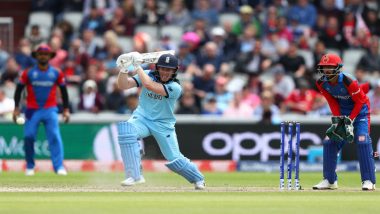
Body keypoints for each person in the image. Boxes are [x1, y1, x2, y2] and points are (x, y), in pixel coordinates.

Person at [116, 52, 205, 189]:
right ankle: (134, 176)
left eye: (168, 69)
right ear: (157, 67)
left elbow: (150, 86)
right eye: (162, 68)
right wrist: (124, 69)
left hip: (163, 124)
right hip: (142, 118)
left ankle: (198, 178)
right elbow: (124, 85)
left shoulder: (175, 87)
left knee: (174, 159)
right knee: (126, 131)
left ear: (174, 71)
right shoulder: (148, 73)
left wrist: (137, 66)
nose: (165, 72)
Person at [313, 53, 376, 190]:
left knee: (362, 140)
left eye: (329, 67)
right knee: (329, 141)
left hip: (360, 113)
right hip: (343, 114)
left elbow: (360, 102)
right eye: (324, 67)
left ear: (338, 68)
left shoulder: (348, 81)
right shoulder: (321, 83)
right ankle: (330, 180)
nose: (326, 71)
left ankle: (368, 181)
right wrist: (339, 121)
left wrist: (350, 120)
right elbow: (332, 102)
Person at [13, 44, 70, 176]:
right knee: (28, 137)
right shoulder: (29, 73)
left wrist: (66, 110)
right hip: (32, 110)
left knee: (54, 136)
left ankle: (59, 167)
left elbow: (64, 91)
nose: (43, 56)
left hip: (50, 110)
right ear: (37, 56)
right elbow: (19, 90)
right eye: (41, 54)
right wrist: (16, 108)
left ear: (50, 56)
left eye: (46, 54)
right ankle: (30, 166)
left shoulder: (56, 73)